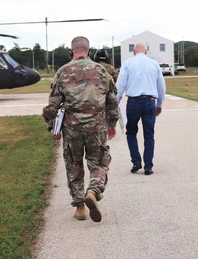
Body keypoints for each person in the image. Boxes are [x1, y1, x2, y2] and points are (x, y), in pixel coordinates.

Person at [42, 36, 120, 222]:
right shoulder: (101, 70)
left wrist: (52, 127)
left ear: (72, 51)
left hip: (72, 128)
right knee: (99, 163)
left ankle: (79, 208)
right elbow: (112, 102)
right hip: (96, 127)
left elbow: (53, 105)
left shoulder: (62, 71)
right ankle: (93, 191)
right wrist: (112, 123)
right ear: (89, 51)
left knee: (73, 165)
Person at [116, 43, 166, 175]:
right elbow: (161, 86)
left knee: (131, 132)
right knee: (149, 134)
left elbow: (120, 85)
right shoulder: (154, 64)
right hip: (150, 102)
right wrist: (159, 104)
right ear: (145, 52)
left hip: (133, 102)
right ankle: (148, 166)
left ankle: (136, 161)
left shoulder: (127, 64)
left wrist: (116, 102)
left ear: (133, 52)